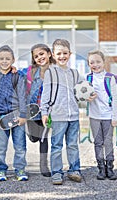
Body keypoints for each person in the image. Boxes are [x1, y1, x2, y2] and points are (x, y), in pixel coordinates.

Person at [41, 39, 82, 185]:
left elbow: (83, 90)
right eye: (59, 53)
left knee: (72, 144)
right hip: (58, 116)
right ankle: (57, 173)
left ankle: (74, 170)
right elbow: (46, 94)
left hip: (74, 116)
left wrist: (90, 94)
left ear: (70, 54)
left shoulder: (75, 73)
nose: (62, 56)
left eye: (65, 53)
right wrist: (44, 112)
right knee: (57, 145)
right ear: (53, 55)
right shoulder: (50, 73)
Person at [0, 45, 28, 181]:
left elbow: (22, 96)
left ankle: (20, 169)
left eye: (7, 59)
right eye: (1, 59)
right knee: (0, 146)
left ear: (13, 60)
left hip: (17, 115)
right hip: (0, 116)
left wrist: (23, 114)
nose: (4, 61)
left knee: (20, 145)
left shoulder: (18, 76)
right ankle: (1, 170)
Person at [22, 44, 56, 177]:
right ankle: (31, 135)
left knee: (43, 137)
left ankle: (44, 165)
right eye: (36, 56)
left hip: (47, 111)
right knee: (34, 138)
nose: (39, 57)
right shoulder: (30, 71)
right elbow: (18, 74)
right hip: (32, 111)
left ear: (49, 54)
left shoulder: (55, 71)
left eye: (42, 54)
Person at [86, 50, 117, 180]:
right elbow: (84, 96)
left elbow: (115, 98)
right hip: (94, 116)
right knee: (97, 142)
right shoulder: (88, 78)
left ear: (104, 62)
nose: (95, 65)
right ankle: (101, 168)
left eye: (98, 61)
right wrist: (86, 98)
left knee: (108, 142)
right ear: (88, 64)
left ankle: (110, 168)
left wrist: (115, 116)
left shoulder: (110, 78)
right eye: (92, 62)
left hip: (108, 115)